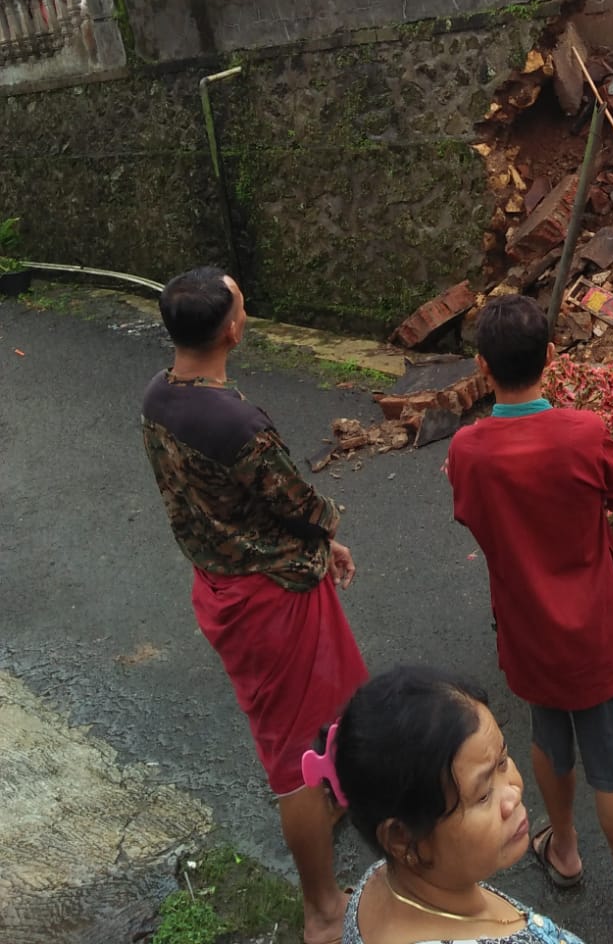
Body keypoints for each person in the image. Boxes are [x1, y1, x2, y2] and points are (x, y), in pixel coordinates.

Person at [142, 266, 367, 944]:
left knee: (319, 716)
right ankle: (322, 906)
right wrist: (331, 532)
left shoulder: (157, 396)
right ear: (233, 329)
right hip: (272, 595)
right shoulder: (237, 422)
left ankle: (330, 799)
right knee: (292, 756)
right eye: (239, 301)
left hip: (220, 581)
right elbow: (292, 500)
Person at [446, 296, 613, 932]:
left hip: (527, 631)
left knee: (548, 739)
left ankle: (565, 849)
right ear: (551, 357)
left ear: (481, 367)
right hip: (597, 633)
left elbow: (471, 515)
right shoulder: (584, 432)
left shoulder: (468, 449)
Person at [307, 664, 587, 944]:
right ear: (402, 838)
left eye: (502, 761)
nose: (513, 794)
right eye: (483, 795)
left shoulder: (378, 882)